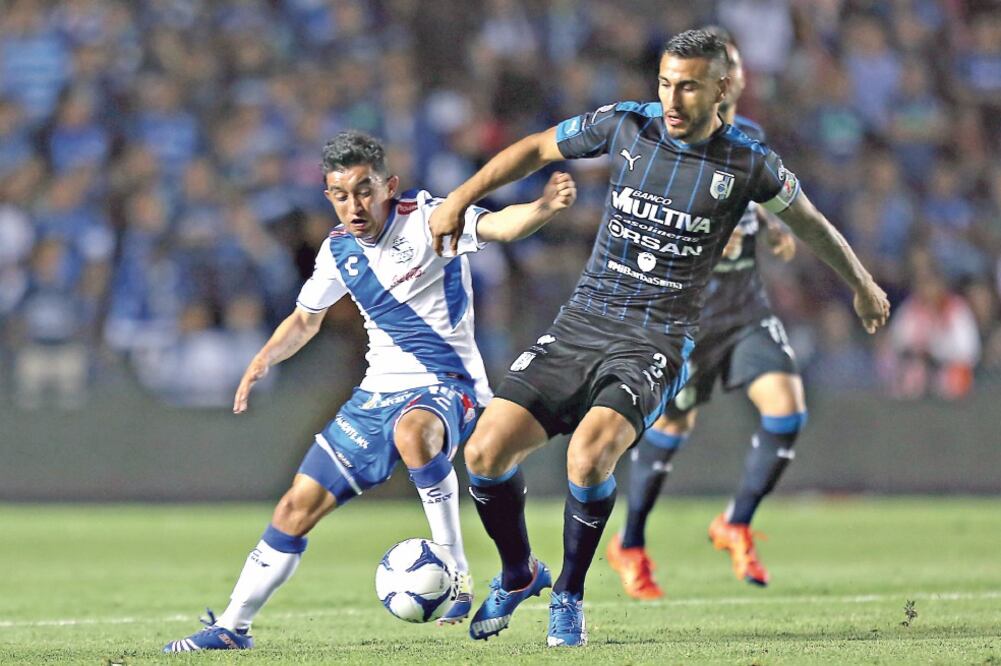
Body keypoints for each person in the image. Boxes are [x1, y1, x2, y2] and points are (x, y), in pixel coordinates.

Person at [430, 29, 889, 648]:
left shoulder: (747, 162)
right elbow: (538, 147)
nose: (672, 99)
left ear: (721, 89)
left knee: (588, 456)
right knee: (484, 454)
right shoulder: (627, 125)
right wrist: (460, 198)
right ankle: (519, 573)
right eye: (666, 83)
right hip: (581, 322)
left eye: (689, 87)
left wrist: (862, 285)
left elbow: (810, 224)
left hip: (656, 339)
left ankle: (569, 593)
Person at [163, 131, 577, 652]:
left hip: (449, 385)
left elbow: (499, 225)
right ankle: (232, 627)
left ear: (389, 186)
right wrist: (263, 358)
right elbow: (305, 320)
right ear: (329, 196)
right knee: (294, 507)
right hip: (375, 395)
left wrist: (543, 207)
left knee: (413, 433)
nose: (354, 206)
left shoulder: (429, 220)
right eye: (341, 195)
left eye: (364, 190)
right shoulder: (338, 251)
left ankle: (455, 570)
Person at [606, 27, 804, 600]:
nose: (735, 75)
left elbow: (761, 193)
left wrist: (775, 226)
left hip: (744, 306)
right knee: (673, 426)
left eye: (737, 66)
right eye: (727, 66)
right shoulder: (668, 143)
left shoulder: (753, 139)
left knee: (787, 410)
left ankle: (736, 523)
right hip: (689, 314)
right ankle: (630, 544)